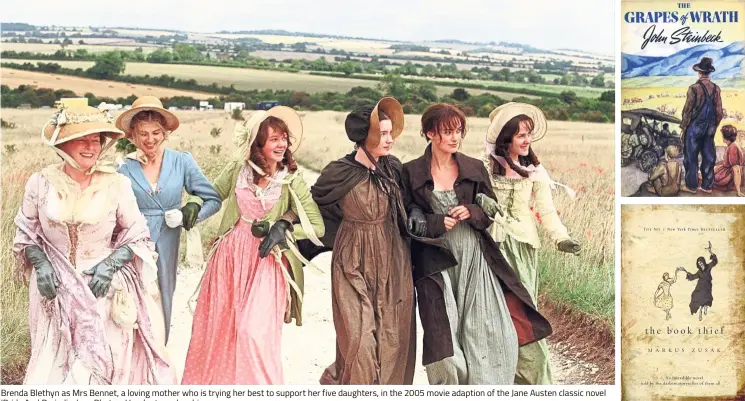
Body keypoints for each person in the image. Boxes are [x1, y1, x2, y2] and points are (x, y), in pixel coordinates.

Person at [13, 105, 174, 384]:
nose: (91, 147)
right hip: (54, 292)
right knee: (54, 370)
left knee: (96, 370)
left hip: (102, 288)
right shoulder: (40, 183)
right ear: (63, 144)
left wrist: (109, 265)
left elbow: (138, 235)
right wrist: (40, 263)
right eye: (82, 140)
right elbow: (26, 233)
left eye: (96, 140)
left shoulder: (116, 184)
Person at [401, 103, 552, 385]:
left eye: (458, 131)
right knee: (443, 343)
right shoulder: (410, 172)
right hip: (435, 263)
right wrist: (434, 223)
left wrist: (472, 211)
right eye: (447, 131)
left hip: (474, 258)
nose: (454, 137)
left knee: (487, 332)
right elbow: (405, 217)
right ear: (430, 133)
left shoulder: (473, 167)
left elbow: (490, 214)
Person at [181, 106, 325, 385]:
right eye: (274, 138)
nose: (282, 144)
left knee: (253, 333)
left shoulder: (291, 179)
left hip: (267, 262)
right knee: (219, 331)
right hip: (230, 258)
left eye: (284, 138)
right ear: (258, 142)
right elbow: (211, 194)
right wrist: (194, 207)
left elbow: (316, 225)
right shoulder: (240, 169)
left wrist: (283, 226)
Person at [301, 97, 416, 385]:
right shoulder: (339, 172)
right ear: (365, 136)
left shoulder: (394, 169)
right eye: (384, 134)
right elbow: (309, 205)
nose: (390, 140)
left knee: (392, 341)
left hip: (393, 263)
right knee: (359, 341)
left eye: (391, 133)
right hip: (351, 262)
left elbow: (412, 204)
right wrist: (284, 224)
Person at [481, 102, 580, 385]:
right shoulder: (486, 167)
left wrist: (561, 237)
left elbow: (546, 211)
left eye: (529, 134)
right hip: (492, 247)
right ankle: (500, 376)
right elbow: (471, 197)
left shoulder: (535, 170)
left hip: (523, 247)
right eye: (521, 135)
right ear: (506, 138)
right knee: (493, 313)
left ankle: (533, 379)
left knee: (522, 310)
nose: (527, 140)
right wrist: (480, 201)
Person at [116, 96, 222, 342]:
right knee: (132, 300)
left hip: (167, 240)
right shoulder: (124, 167)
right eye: (143, 133)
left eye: (156, 132)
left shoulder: (181, 161)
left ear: (165, 133)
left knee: (163, 296)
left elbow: (213, 200)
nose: (150, 139)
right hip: (133, 242)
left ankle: (158, 359)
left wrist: (187, 215)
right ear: (132, 134)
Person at [680, 57, 723, 194]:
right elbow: (719, 113)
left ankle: (691, 186)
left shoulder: (693, 89)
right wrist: (713, 126)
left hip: (694, 128)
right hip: (709, 129)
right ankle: (707, 186)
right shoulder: (716, 89)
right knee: (709, 157)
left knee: (691, 157)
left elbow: (687, 111)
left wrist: (684, 128)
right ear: (709, 73)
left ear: (699, 73)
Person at [681, 252, 718, 321]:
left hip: (707, 286)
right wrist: (685, 271)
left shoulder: (708, 267)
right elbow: (692, 277)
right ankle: (700, 311)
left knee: (707, 299)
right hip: (700, 287)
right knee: (697, 297)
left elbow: (714, 262)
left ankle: (705, 308)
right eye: (699, 264)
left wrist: (710, 251)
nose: (700, 264)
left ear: (703, 262)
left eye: (701, 263)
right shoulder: (699, 272)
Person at [712, 125, 744, 196]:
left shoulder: (733, 147)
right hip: (727, 172)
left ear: (726, 137)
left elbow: (736, 168)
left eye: (722, 135)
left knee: (705, 177)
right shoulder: (732, 145)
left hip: (729, 176)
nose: (722, 137)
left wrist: (738, 191)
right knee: (707, 173)